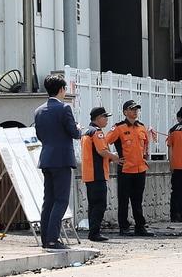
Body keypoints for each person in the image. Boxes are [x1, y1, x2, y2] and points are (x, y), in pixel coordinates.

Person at [33, 73, 81, 250]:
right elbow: (74, 133)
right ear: (62, 89)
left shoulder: (39, 110)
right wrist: (77, 129)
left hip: (46, 157)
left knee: (49, 200)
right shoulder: (64, 109)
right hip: (62, 159)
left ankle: (46, 239)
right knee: (61, 200)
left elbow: (39, 135)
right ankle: (53, 239)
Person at [107, 99, 154, 236]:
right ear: (125, 112)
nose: (135, 111)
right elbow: (104, 142)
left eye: (136, 109)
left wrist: (145, 157)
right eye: (132, 109)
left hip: (140, 169)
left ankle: (140, 226)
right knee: (123, 199)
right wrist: (113, 157)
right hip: (125, 169)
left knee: (137, 199)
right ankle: (124, 227)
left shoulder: (141, 127)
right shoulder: (119, 128)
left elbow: (145, 146)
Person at [80, 106, 119, 243]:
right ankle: (95, 233)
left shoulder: (86, 131)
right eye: (105, 117)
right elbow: (102, 151)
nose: (107, 120)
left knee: (93, 204)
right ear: (98, 118)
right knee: (100, 204)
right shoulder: (97, 132)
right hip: (98, 173)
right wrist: (114, 157)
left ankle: (93, 231)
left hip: (89, 173)